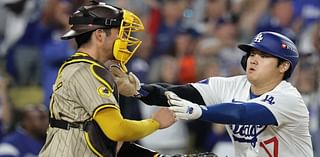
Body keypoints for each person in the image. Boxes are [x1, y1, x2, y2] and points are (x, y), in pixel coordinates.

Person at [138, 31, 313, 156]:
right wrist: (140, 90)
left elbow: (241, 113)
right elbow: (182, 93)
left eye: (264, 55)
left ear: (283, 66)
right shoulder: (231, 85)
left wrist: (199, 111)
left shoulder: (289, 98)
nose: (253, 58)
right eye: (252, 53)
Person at [39, 1, 176, 157]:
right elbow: (116, 130)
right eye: (120, 33)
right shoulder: (86, 71)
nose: (125, 39)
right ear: (99, 35)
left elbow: (110, 143)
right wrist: (155, 123)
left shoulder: (82, 67)